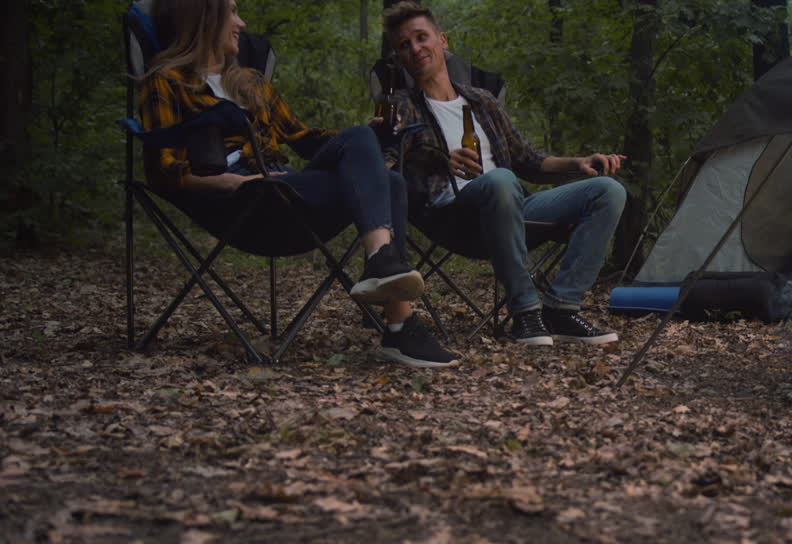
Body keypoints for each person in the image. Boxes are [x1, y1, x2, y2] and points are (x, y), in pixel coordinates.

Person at [140, 0, 458, 368]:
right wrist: (229, 183)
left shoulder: (250, 83)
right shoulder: (166, 81)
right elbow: (162, 171)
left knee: (384, 172)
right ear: (202, 19)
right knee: (386, 178)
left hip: (284, 188)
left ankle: (392, 299)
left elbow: (302, 137)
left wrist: (362, 142)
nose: (241, 22)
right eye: (231, 11)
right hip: (242, 199)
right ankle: (398, 316)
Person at [382, 1, 625, 346]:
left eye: (421, 37)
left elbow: (528, 159)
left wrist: (579, 163)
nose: (415, 48)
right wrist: (437, 158)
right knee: (502, 180)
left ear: (442, 41)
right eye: (404, 45)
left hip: (511, 205)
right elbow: (389, 162)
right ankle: (526, 312)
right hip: (455, 216)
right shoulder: (401, 106)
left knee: (607, 190)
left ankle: (561, 309)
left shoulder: (482, 101)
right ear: (400, 57)